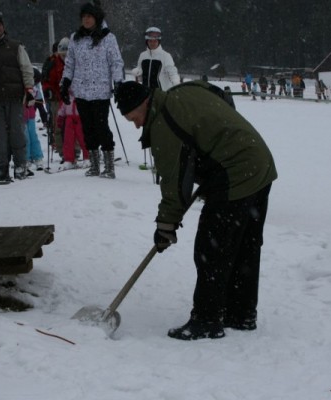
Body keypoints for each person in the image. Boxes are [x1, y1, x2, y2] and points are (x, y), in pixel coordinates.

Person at [114, 81, 278, 341]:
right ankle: (241, 314)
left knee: (210, 249)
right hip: (258, 162)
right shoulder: (182, 91)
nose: (136, 125)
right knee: (245, 244)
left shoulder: (163, 123)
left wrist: (165, 226)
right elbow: (219, 95)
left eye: (134, 118)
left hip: (235, 173)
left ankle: (207, 320)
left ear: (145, 103)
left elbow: (174, 183)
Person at [61, 0, 124, 179]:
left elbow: (116, 62)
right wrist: (65, 83)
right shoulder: (76, 38)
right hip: (81, 90)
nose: (86, 20)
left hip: (101, 90)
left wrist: (118, 82)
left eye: (90, 17)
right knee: (87, 129)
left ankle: (109, 166)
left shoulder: (108, 38)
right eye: (84, 17)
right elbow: (70, 63)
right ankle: (94, 164)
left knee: (101, 127)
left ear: (96, 18)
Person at [0, 12, 35, 182]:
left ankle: (21, 165)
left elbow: (26, 69)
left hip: (14, 97)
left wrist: (29, 91)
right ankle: (2, 168)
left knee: (17, 133)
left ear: (3, 27)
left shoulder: (16, 46)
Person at [42, 38, 69, 161]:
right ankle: (62, 151)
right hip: (57, 99)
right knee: (58, 126)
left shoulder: (73, 61)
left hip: (71, 98)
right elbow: (47, 80)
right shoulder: (53, 62)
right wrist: (48, 91)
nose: (64, 57)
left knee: (73, 124)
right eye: (62, 54)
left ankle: (75, 150)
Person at [131, 27, 180, 91]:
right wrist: (138, 72)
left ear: (158, 42)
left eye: (155, 41)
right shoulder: (143, 55)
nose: (152, 43)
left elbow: (172, 73)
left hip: (161, 93)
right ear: (147, 42)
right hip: (145, 93)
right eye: (150, 41)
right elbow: (141, 77)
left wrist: (176, 85)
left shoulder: (166, 56)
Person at [56, 89, 89, 170]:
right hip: (69, 119)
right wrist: (60, 118)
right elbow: (62, 107)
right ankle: (69, 160)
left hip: (80, 118)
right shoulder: (66, 96)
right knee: (68, 140)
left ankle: (88, 158)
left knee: (84, 139)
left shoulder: (83, 94)